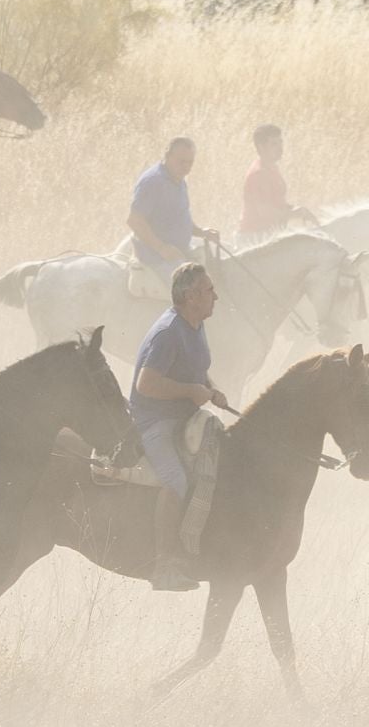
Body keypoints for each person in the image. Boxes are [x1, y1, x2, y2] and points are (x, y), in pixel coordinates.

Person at [130, 263, 228, 591]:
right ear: (190, 296)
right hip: (155, 421)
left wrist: (210, 388)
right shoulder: (168, 332)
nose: (216, 296)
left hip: (184, 417)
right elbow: (146, 384)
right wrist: (190, 391)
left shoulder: (195, 324)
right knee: (176, 479)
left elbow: (194, 368)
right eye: (209, 290)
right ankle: (163, 565)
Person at [127, 137, 220, 288]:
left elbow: (178, 216)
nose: (186, 166)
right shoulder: (153, 182)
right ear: (167, 156)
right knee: (193, 292)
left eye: (190, 162)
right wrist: (161, 248)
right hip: (156, 257)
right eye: (181, 161)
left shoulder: (178, 179)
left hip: (179, 251)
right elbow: (134, 220)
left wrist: (201, 232)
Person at [238, 124, 317, 241]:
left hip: (268, 234)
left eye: (280, 142)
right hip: (254, 239)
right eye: (274, 144)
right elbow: (265, 213)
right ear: (261, 147)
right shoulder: (258, 173)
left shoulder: (272, 168)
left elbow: (277, 204)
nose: (280, 148)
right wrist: (295, 213)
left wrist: (298, 210)